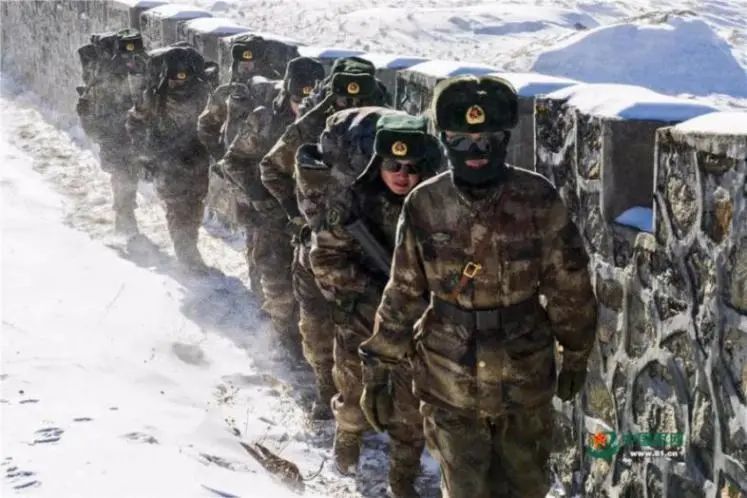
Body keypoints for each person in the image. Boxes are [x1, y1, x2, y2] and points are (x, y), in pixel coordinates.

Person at [358, 75, 598, 498]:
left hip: (523, 375)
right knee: (465, 489)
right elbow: (404, 291)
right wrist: (377, 370)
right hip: (449, 377)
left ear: (504, 140)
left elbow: (569, 284)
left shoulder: (537, 198)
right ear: (444, 141)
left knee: (527, 486)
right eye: (461, 140)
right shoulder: (424, 203)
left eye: (487, 139)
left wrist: (576, 354)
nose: (475, 151)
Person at [305, 113, 441, 496]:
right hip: (363, 319)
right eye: (393, 165)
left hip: (415, 322)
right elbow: (324, 259)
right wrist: (371, 291)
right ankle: (348, 440)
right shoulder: (353, 201)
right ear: (377, 164)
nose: (402, 175)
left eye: (412, 168)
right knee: (353, 393)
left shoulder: (436, 205)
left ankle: (402, 476)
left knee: (411, 407)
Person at [260, 58, 387, 419]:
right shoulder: (313, 125)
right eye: (345, 101)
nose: (353, 108)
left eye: (361, 101)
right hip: (318, 244)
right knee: (317, 324)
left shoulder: (390, 127)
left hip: (373, 243)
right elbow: (271, 168)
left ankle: (369, 403)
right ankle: (324, 389)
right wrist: (298, 215)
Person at [217, 56, 324, 354]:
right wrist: (259, 197)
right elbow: (233, 161)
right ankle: (281, 340)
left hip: (310, 221)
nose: (302, 108)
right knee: (276, 284)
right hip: (270, 217)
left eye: (310, 102)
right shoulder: (265, 120)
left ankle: (301, 342)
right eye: (297, 100)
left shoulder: (327, 125)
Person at [197, 35, 292, 292]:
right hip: (242, 174)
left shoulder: (276, 93)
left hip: (273, 172)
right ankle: (260, 292)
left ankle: (269, 294)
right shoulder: (227, 94)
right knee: (255, 234)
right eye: (243, 62)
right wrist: (221, 154)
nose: (248, 67)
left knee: (271, 239)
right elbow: (206, 125)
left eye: (253, 61)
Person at [126, 44, 213, 271]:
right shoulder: (155, 97)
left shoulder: (203, 94)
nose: (178, 84)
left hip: (196, 161)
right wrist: (144, 155)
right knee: (177, 208)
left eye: (183, 79)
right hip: (167, 162)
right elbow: (135, 122)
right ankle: (187, 255)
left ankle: (189, 248)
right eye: (174, 79)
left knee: (194, 208)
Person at [76, 29, 147, 235]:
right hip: (113, 131)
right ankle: (125, 215)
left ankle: (125, 214)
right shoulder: (104, 74)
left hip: (128, 130)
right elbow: (93, 104)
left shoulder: (131, 69)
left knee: (128, 173)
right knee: (123, 173)